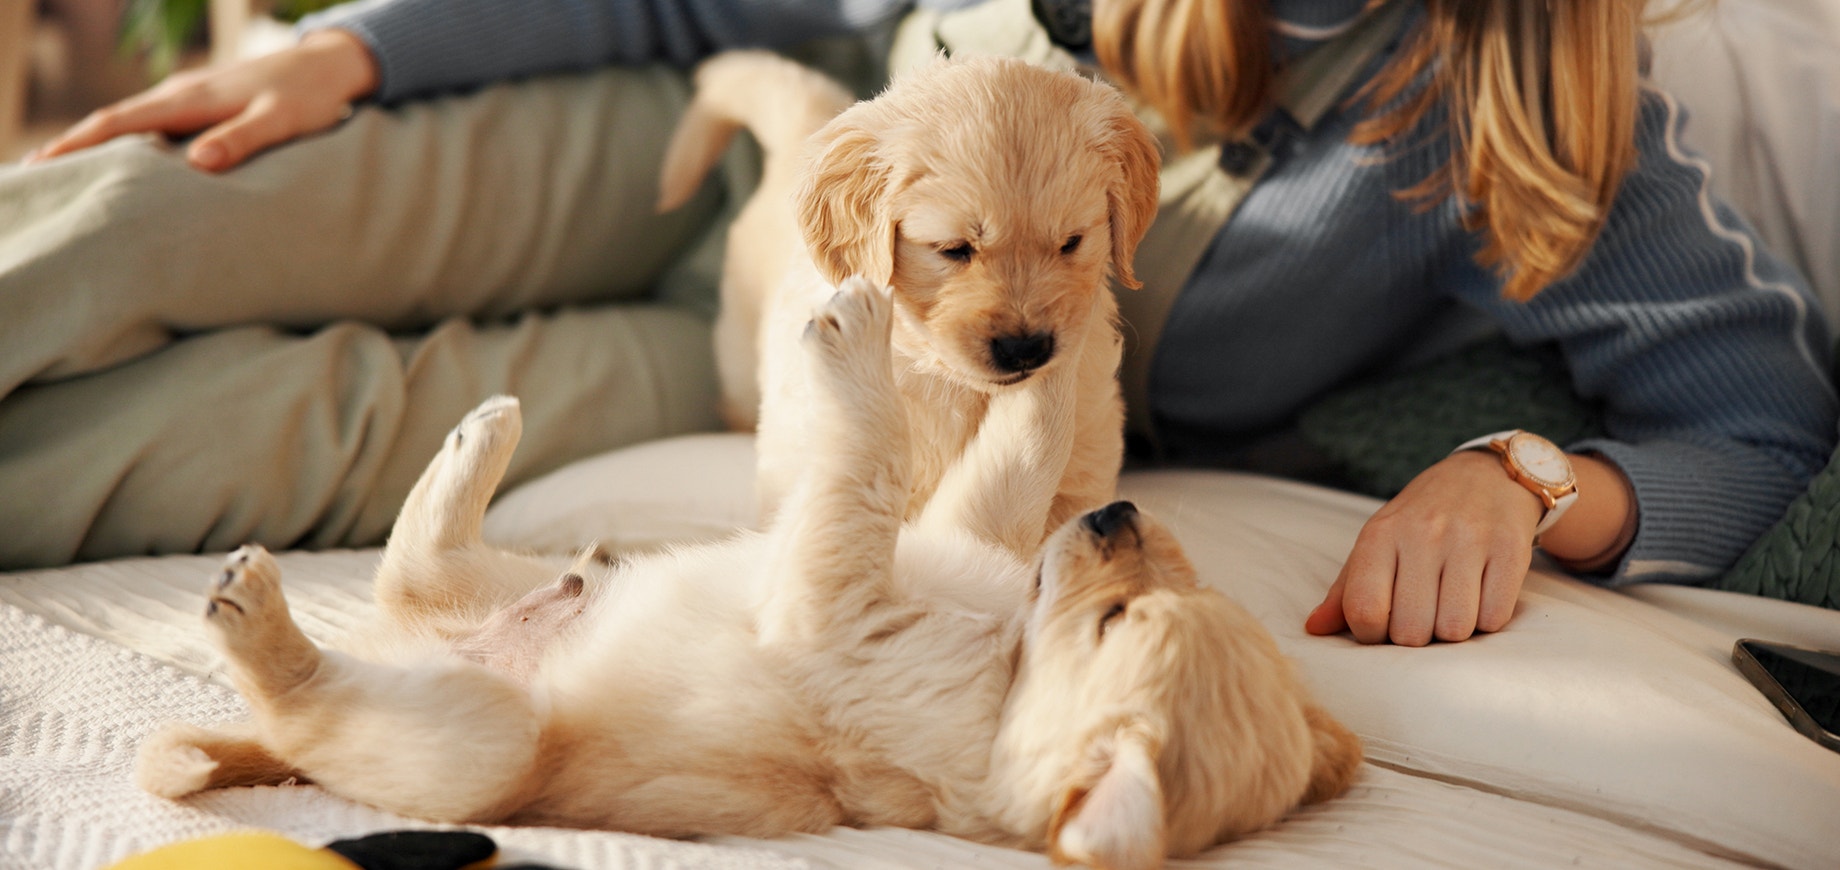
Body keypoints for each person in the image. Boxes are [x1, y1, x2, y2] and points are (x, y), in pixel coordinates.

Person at [9, 0, 1834, 647]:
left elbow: (1749, 418)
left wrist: (1522, 476)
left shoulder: (1532, 106)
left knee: (246, 442)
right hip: (705, 138)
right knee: (155, 205)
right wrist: (360, 46)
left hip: (814, 391)